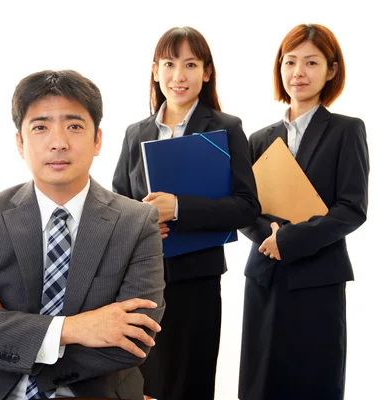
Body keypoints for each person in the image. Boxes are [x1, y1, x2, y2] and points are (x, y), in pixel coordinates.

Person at [0, 69, 166, 400]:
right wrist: (74, 329)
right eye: (40, 127)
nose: (58, 143)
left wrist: (3, 327)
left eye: (74, 126)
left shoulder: (136, 222)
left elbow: (133, 340)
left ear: (98, 140)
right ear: (20, 142)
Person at [112, 26, 260, 400]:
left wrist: (177, 207)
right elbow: (116, 202)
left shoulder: (226, 129)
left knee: (188, 385)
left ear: (207, 72)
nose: (179, 75)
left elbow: (246, 206)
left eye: (190, 64)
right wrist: (142, 222)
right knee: (140, 385)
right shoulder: (136, 133)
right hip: (140, 283)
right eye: (169, 63)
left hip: (197, 282)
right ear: (155, 69)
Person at [238, 24, 370, 399]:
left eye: (311, 62)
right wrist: (271, 239)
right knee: (261, 380)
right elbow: (245, 206)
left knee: (315, 379)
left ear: (331, 70)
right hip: (265, 274)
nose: (299, 72)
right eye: (290, 61)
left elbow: (352, 207)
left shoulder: (347, 130)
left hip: (319, 277)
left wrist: (289, 240)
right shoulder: (259, 138)